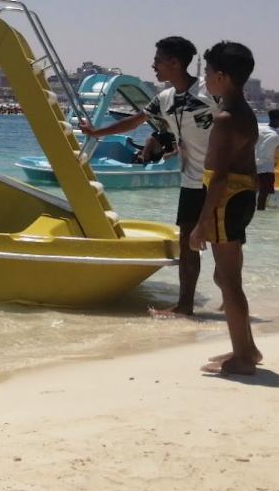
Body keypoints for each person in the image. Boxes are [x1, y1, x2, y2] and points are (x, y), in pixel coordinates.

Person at [80, 36, 215, 318]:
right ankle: (185, 306)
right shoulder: (165, 99)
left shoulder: (209, 90)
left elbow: (237, 118)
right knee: (189, 243)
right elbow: (136, 120)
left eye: (157, 61)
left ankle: (232, 300)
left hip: (220, 178)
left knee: (226, 244)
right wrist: (97, 132)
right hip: (192, 181)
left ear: (175, 63)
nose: (153, 66)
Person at [193, 42, 261, 376]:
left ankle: (243, 358)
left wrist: (201, 223)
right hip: (240, 196)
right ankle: (247, 348)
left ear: (222, 76)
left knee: (229, 280)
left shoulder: (225, 118)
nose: (204, 77)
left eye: (207, 72)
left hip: (226, 200)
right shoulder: (244, 111)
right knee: (226, 276)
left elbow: (219, 178)